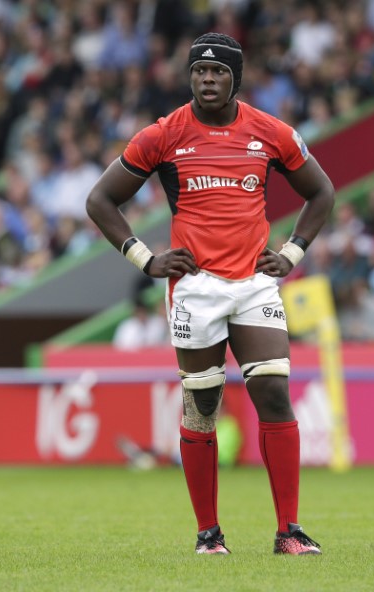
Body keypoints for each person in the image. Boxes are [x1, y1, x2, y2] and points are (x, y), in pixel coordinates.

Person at [86, 32, 334, 555]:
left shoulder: (270, 132)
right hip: (196, 288)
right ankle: (208, 535)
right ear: (189, 77)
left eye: (218, 72)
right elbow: (101, 200)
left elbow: (322, 191)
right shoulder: (164, 134)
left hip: (253, 283)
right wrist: (145, 258)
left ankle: (288, 530)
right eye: (199, 72)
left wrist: (291, 253)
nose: (207, 80)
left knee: (272, 392)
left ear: (235, 79)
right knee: (202, 404)